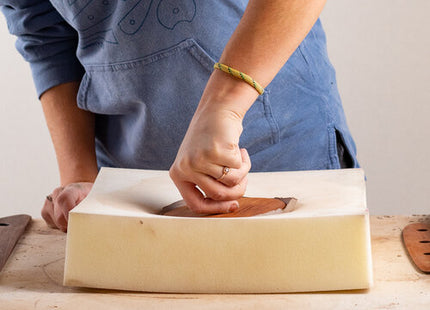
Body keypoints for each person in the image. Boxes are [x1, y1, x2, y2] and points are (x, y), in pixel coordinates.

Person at [1, 0, 358, 232]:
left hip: (283, 151)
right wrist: (79, 176)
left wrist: (224, 104)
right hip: (130, 186)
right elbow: (43, 31)